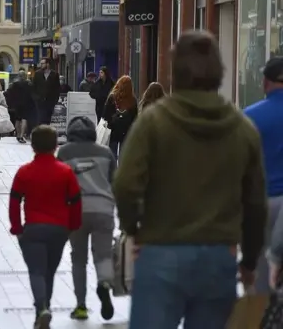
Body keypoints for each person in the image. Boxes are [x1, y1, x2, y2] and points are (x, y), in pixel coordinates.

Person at [113, 30, 268, 328]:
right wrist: (248, 261)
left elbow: (125, 184)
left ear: (176, 71)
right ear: (219, 72)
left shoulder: (153, 122)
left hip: (159, 252)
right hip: (217, 257)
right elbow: (255, 203)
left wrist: (134, 229)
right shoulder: (242, 128)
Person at [9, 125, 82, 329]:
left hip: (33, 229)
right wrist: (73, 225)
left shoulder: (24, 172)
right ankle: (44, 309)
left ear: (32, 146)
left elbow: (14, 202)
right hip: (59, 230)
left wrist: (17, 228)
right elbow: (76, 201)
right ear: (56, 146)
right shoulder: (66, 172)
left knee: (36, 271)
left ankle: (41, 308)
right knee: (49, 271)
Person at [57, 116, 116, 321]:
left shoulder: (64, 153)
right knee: (103, 254)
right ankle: (104, 283)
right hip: (103, 209)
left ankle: (81, 306)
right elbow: (114, 182)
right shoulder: (106, 152)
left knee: (79, 259)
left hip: (76, 211)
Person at [244, 56, 283, 294]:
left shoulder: (249, 117)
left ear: (265, 83)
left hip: (258, 204)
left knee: (258, 267)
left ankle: (260, 314)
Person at [101, 75, 137, 159]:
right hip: (126, 130)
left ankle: (113, 169)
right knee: (124, 154)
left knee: (112, 152)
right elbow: (135, 117)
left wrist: (109, 122)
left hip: (113, 129)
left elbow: (105, 114)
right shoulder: (132, 100)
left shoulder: (112, 97)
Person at [5, 69, 34, 143]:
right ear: (25, 76)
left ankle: (17, 135)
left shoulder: (15, 84)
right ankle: (21, 136)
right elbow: (32, 94)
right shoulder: (29, 84)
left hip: (17, 104)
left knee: (17, 120)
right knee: (24, 119)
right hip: (26, 103)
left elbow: (8, 93)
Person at [32, 58, 61, 126]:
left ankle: (46, 133)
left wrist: (55, 100)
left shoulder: (54, 74)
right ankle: (40, 133)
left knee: (48, 119)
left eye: (43, 63)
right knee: (40, 119)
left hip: (50, 101)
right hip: (40, 101)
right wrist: (36, 98)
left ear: (47, 64)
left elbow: (57, 88)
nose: (41, 65)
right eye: (41, 63)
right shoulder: (37, 74)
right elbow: (33, 87)